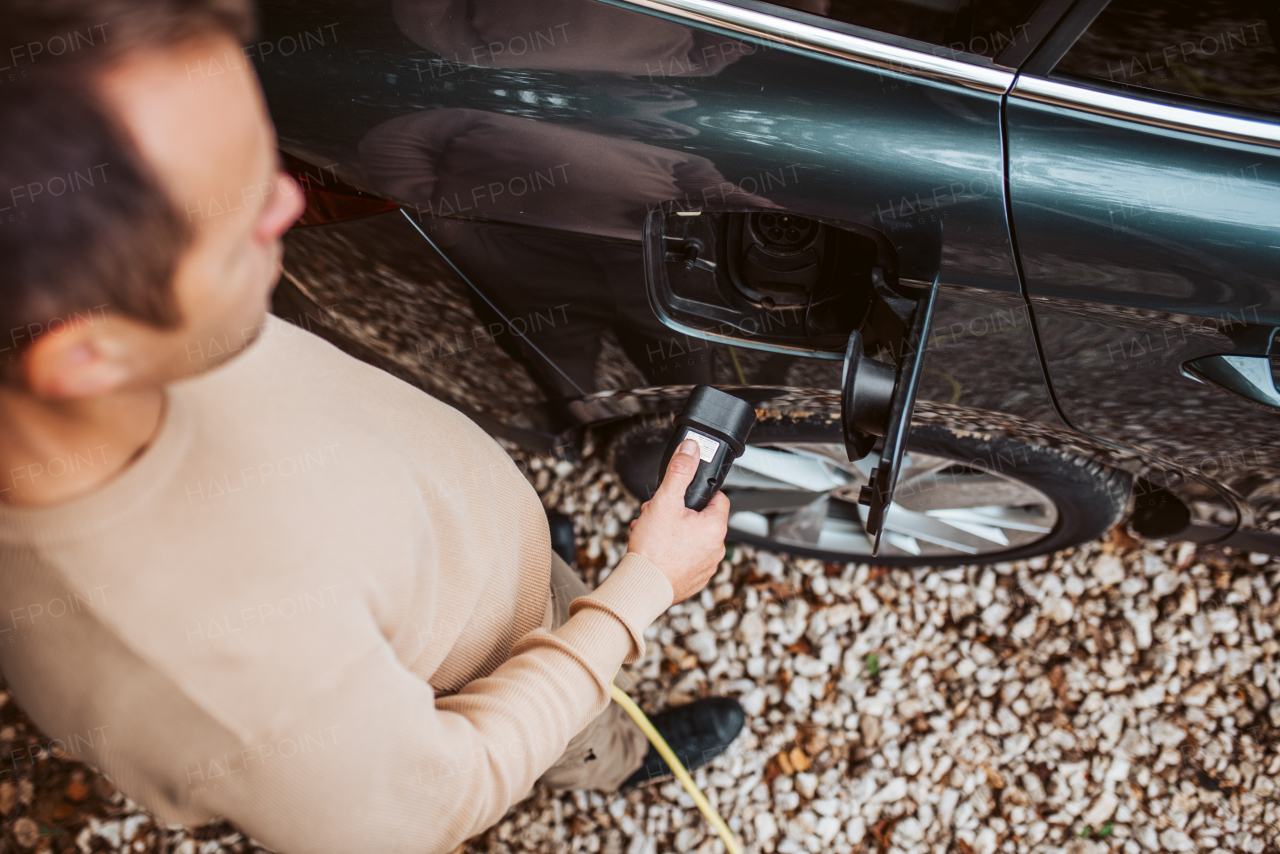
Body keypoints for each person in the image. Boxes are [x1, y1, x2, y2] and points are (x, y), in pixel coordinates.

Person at [0, 1, 744, 852]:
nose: (287, 201)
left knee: (550, 592)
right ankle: (612, 759)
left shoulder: (94, 327)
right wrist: (640, 589)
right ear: (89, 358)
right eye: (239, 223)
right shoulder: (200, 675)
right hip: (483, 676)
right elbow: (434, 802)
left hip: (472, 574)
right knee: (575, 720)